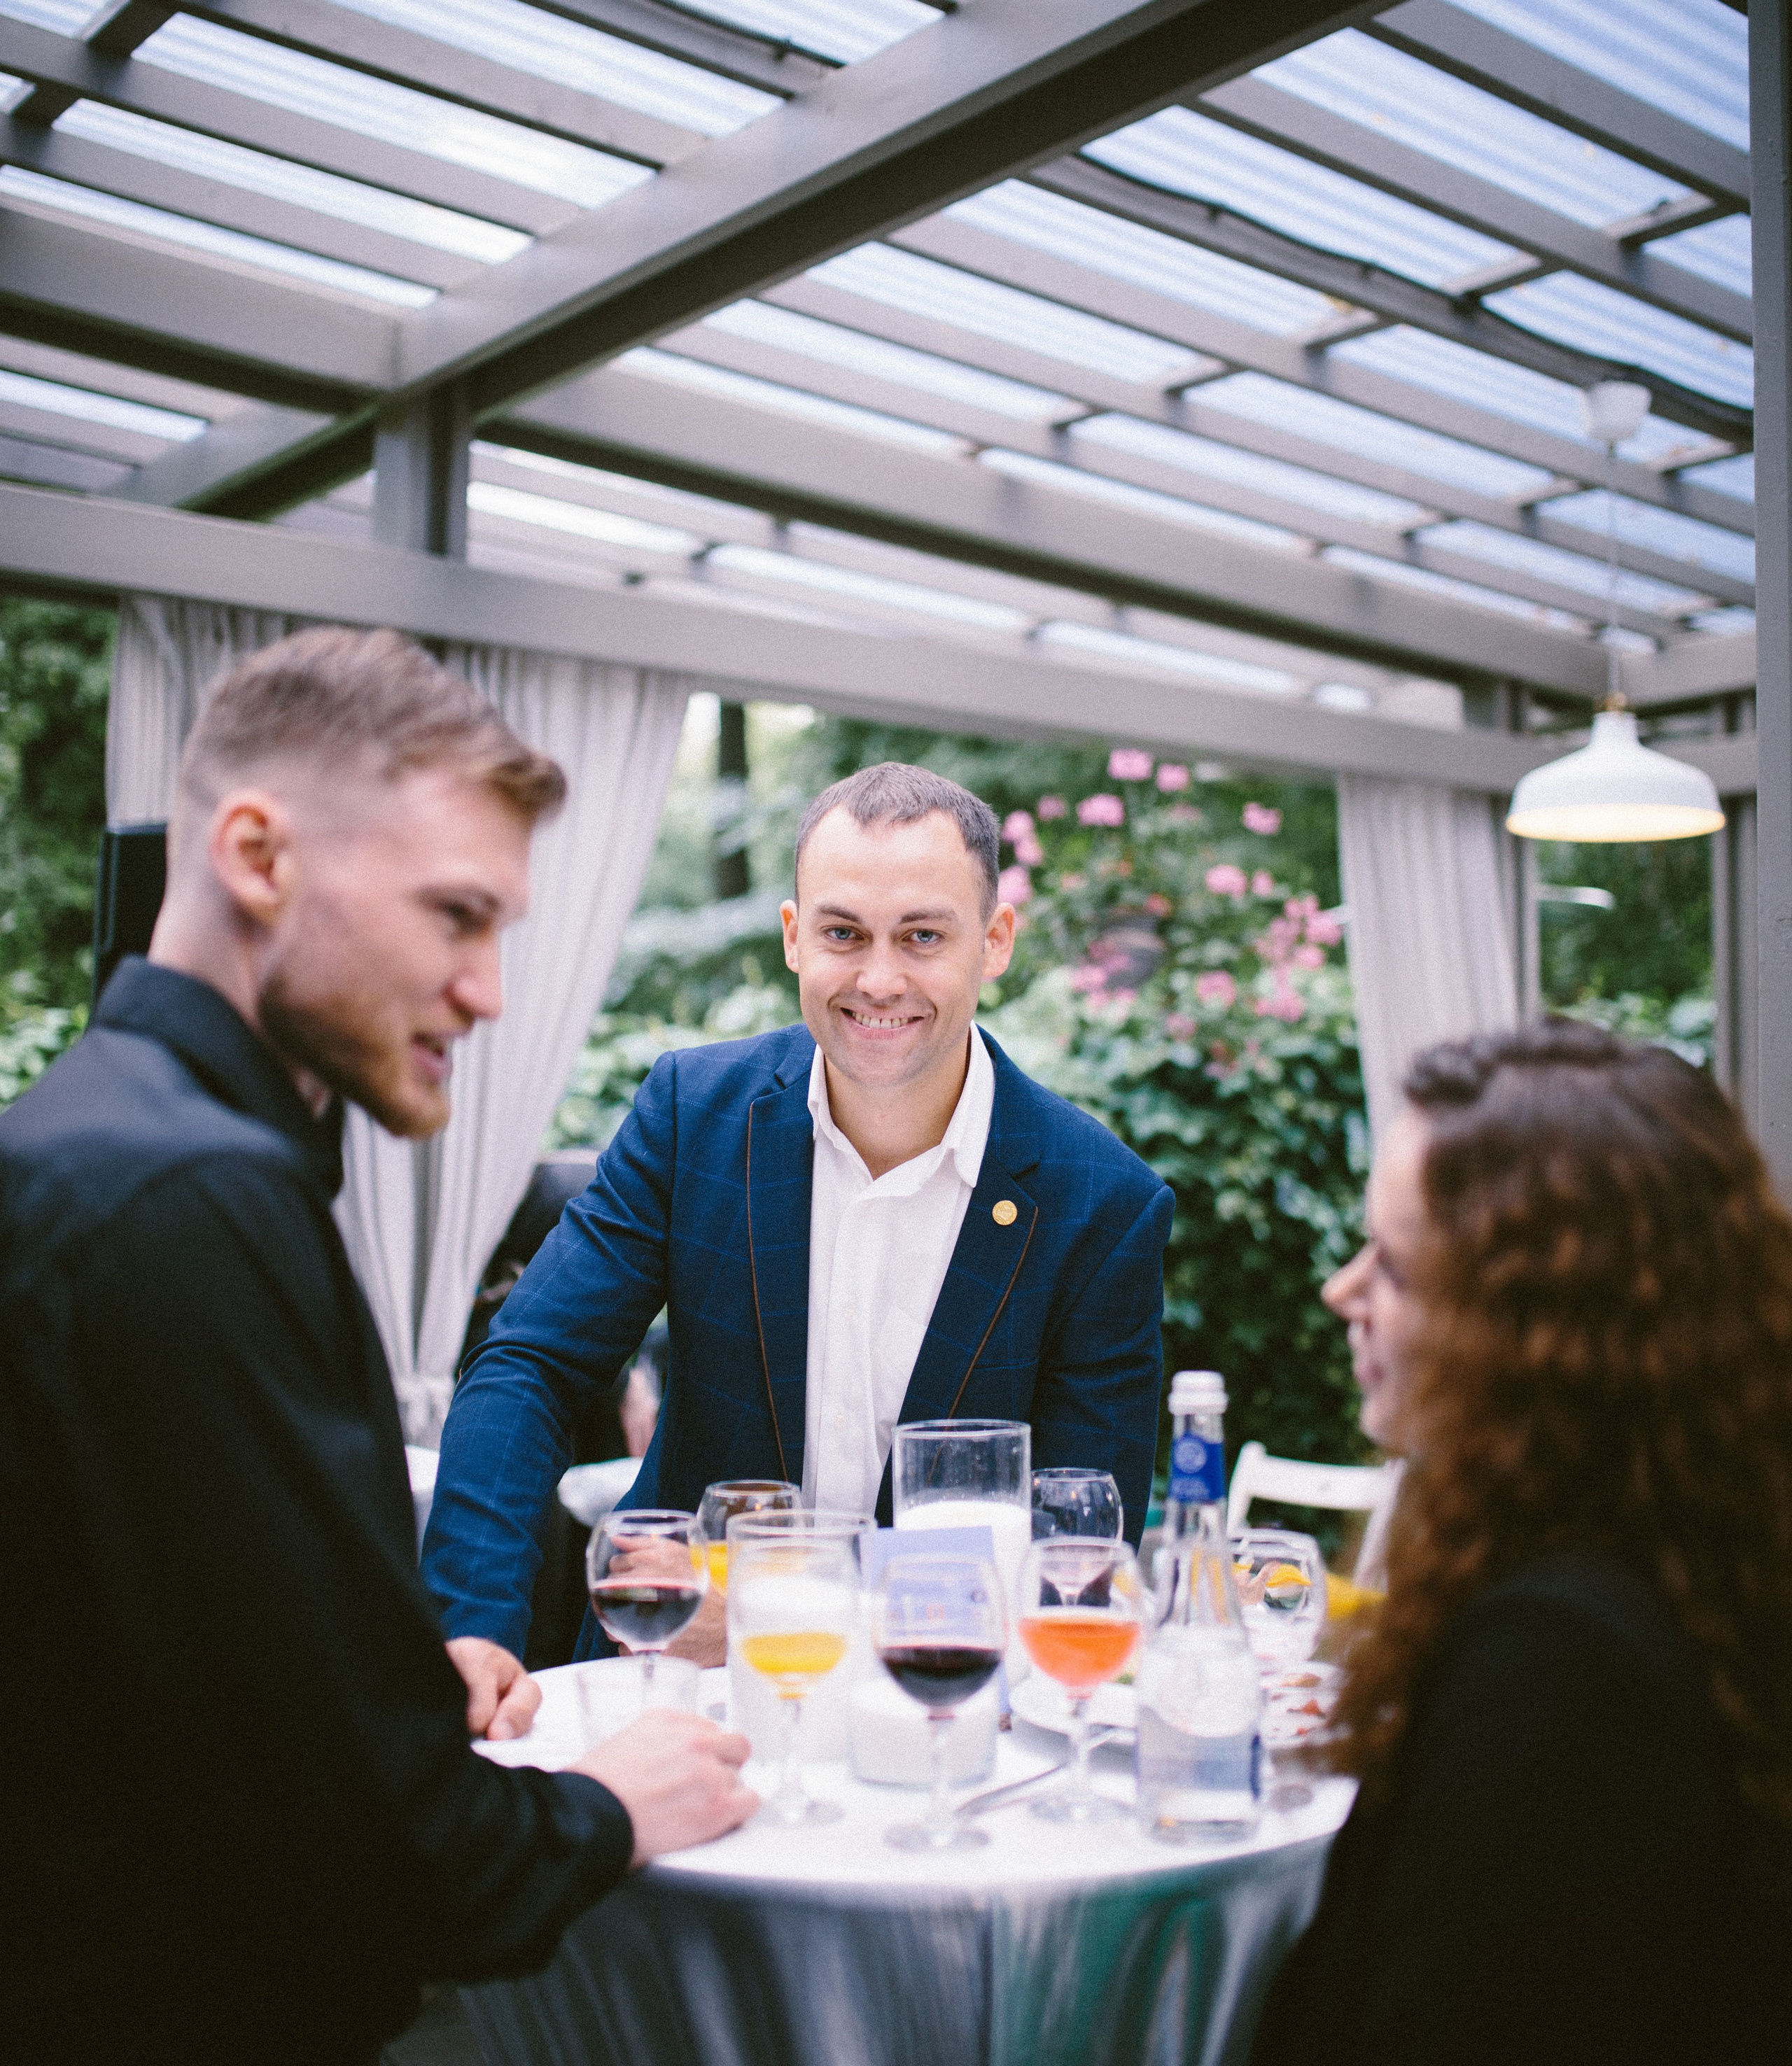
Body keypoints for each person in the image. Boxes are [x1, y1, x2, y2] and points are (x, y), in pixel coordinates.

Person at [0, 628, 755, 2066]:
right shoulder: (190, 1200)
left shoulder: (92, 1134)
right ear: (257, 855)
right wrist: (609, 1802)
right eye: (455, 915)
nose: (487, 991)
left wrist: (395, 1675)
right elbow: (384, 1856)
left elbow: (175, 1675)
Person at [424, 761, 1173, 1667]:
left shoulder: (1103, 1204)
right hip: (667, 1689)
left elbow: (1081, 1560)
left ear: (995, 940)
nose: (881, 978)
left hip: (944, 1719)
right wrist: (470, 1632)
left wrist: (770, 1618)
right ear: (794, 938)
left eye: (924, 936)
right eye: (844, 934)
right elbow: (528, 1366)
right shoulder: (691, 1114)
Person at [1252, 1022, 1792, 2066]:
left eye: (1397, 1267)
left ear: (1537, 1323)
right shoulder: (1689, 1555)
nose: (1342, 1293)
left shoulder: (1566, 1664)